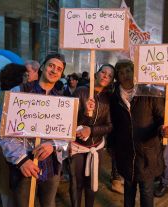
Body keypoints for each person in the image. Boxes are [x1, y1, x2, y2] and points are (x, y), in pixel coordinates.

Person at [0, 53, 67, 207]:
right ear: (42, 67)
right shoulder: (19, 92)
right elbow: (2, 130)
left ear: (61, 74)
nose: (54, 70)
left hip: (50, 167)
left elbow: (66, 136)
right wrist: (21, 159)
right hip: (24, 166)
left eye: (59, 69)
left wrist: (53, 144)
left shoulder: (62, 100)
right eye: (51, 65)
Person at [110, 60, 168, 207]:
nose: (125, 75)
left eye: (128, 71)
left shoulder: (149, 93)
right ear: (117, 76)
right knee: (129, 190)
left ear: (135, 73)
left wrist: (164, 129)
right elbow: (113, 124)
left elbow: (162, 119)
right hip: (125, 152)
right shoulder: (114, 97)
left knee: (146, 191)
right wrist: (112, 147)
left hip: (147, 153)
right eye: (121, 72)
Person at [69, 64, 114, 207]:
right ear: (97, 73)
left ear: (112, 80)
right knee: (77, 182)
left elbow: (109, 125)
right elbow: (68, 119)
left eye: (110, 75)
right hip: (77, 146)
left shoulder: (108, 98)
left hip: (96, 147)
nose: (106, 75)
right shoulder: (81, 91)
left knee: (92, 182)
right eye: (103, 72)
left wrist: (91, 130)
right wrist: (83, 112)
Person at [0, 63, 26, 207]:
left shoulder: (2, 93)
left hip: (4, 148)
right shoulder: (10, 96)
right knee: (9, 185)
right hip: (9, 148)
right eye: (25, 75)